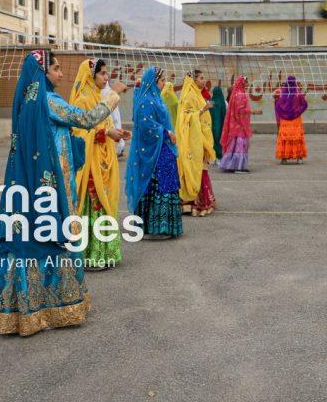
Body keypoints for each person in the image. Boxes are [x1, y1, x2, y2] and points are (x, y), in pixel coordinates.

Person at [0, 50, 124, 336]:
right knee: (55, 238)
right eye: (55, 68)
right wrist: (112, 96)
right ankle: (56, 308)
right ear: (43, 73)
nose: (61, 74)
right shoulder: (48, 101)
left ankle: (24, 311)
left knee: (28, 239)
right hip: (51, 187)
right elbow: (87, 119)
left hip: (27, 185)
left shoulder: (26, 102)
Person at [70, 59, 130, 269]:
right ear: (90, 75)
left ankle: (104, 252)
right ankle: (89, 254)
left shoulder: (97, 97)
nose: (106, 78)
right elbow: (80, 131)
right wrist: (105, 133)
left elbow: (104, 124)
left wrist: (116, 134)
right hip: (90, 165)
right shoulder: (82, 100)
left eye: (107, 74)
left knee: (104, 203)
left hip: (103, 160)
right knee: (93, 204)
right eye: (103, 74)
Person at [125, 67, 183, 238]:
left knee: (167, 182)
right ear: (153, 81)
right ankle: (155, 228)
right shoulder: (145, 101)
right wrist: (166, 133)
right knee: (157, 184)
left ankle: (165, 226)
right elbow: (146, 126)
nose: (164, 83)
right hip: (153, 151)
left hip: (163, 147)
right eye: (161, 80)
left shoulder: (157, 98)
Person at [176, 70, 217, 216]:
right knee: (195, 169)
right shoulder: (189, 96)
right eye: (200, 78)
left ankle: (198, 201)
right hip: (192, 141)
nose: (203, 80)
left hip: (201, 137)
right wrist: (202, 109)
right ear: (193, 80)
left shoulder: (198, 94)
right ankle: (195, 204)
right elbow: (185, 118)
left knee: (201, 167)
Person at [219, 76, 258, 172]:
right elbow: (240, 110)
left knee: (235, 145)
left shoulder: (238, 93)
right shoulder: (240, 94)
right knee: (239, 145)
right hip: (239, 125)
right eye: (246, 81)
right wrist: (252, 111)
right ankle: (237, 166)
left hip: (236, 124)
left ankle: (233, 165)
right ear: (242, 83)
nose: (248, 83)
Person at [274, 75, 308, 164]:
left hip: (285, 121)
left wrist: (283, 114)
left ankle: (284, 159)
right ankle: (299, 158)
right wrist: (297, 112)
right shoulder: (298, 93)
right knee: (297, 138)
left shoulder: (283, 93)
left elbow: (278, 106)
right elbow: (304, 104)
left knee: (285, 138)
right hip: (296, 120)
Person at [209, 85, 227, 160]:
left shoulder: (210, 102)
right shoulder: (223, 102)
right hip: (220, 124)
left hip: (211, 124)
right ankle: (220, 156)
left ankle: (214, 156)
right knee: (219, 139)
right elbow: (225, 113)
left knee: (213, 139)